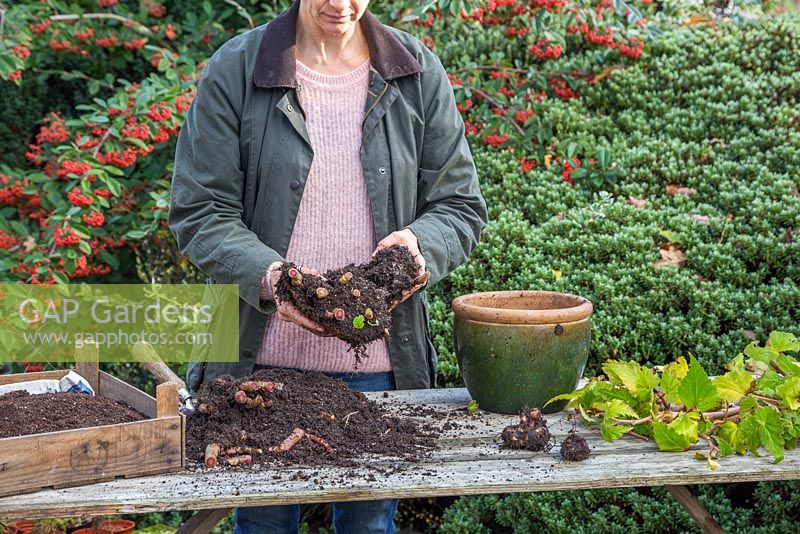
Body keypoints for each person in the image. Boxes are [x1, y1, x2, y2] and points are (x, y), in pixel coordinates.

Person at [168, 0, 487, 532]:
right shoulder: (238, 69)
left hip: (380, 370)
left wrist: (419, 247)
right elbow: (199, 212)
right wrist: (271, 279)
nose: (341, 4)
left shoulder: (413, 70)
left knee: (368, 526)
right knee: (263, 527)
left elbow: (459, 206)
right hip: (259, 370)